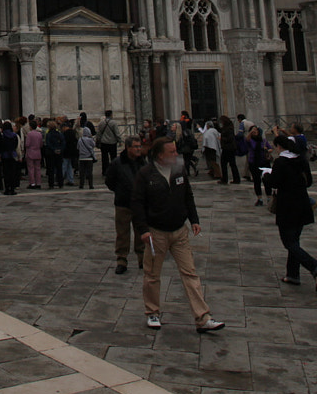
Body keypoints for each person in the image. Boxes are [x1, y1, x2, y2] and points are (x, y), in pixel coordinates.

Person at [131, 136, 222, 332]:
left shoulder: (179, 169)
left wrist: (194, 219)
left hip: (180, 231)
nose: (176, 154)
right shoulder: (146, 174)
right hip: (156, 233)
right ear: (159, 155)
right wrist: (143, 230)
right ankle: (152, 312)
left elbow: (187, 195)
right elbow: (137, 204)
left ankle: (202, 317)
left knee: (190, 273)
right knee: (152, 275)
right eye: (172, 152)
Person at [271, 135, 317, 290]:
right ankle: (293, 275)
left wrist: (266, 176)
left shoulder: (280, 162)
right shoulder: (301, 159)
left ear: (279, 146)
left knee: (288, 242)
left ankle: (315, 267)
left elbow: (274, 182)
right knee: (294, 240)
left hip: (287, 206)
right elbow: (308, 182)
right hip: (302, 204)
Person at [106, 137, 147, 274]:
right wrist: (120, 191)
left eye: (139, 146)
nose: (138, 149)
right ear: (128, 148)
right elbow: (109, 181)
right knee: (122, 232)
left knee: (141, 231)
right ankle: (122, 260)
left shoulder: (142, 162)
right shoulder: (117, 163)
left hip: (140, 204)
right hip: (123, 203)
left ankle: (142, 259)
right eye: (135, 146)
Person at [244, 125, 271, 205]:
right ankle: (260, 199)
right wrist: (251, 132)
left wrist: (267, 150)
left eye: (256, 130)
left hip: (264, 161)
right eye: (253, 130)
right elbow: (247, 139)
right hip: (254, 162)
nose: (255, 131)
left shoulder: (263, 140)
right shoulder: (250, 140)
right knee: (257, 181)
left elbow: (270, 148)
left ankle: (269, 197)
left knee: (267, 180)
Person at [96, 110, 120, 174]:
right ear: (111, 115)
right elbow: (117, 133)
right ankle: (113, 170)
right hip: (112, 142)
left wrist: (98, 140)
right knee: (113, 157)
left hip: (104, 142)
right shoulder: (113, 123)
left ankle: (105, 171)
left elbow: (98, 133)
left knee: (104, 158)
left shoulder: (101, 123)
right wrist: (119, 140)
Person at [24, 119, 44, 189]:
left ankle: (32, 183)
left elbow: (27, 144)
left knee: (31, 169)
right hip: (38, 152)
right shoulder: (39, 134)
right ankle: (38, 183)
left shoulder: (29, 134)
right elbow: (41, 144)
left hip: (30, 152)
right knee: (38, 169)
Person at [77, 125, 97, 189]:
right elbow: (94, 145)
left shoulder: (80, 139)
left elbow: (78, 147)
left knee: (82, 172)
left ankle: (81, 185)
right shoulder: (90, 140)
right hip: (89, 158)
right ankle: (90, 185)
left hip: (81, 158)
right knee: (90, 172)